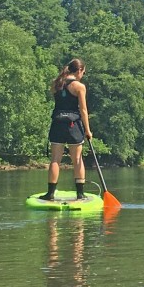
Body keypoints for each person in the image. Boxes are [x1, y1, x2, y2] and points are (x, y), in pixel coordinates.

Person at [40, 58, 93, 200]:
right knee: (77, 159)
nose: (83, 75)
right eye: (83, 72)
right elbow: (83, 110)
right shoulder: (79, 86)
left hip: (57, 124)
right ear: (79, 71)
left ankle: (50, 193)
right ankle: (80, 194)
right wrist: (87, 131)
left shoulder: (56, 83)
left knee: (55, 159)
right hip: (73, 125)